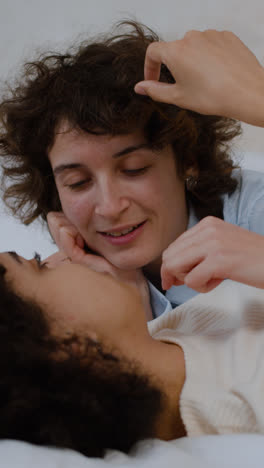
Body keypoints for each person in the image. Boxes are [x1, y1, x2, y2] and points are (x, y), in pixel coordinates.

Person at [1, 23, 264, 319]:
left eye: (134, 169)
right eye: (77, 183)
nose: (110, 207)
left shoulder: (251, 213)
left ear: (188, 157)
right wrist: (131, 302)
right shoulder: (64, 293)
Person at [1, 247, 264, 457]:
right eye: (40, 266)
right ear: (68, 347)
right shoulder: (245, 402)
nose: (60, 257)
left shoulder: (169, 335)